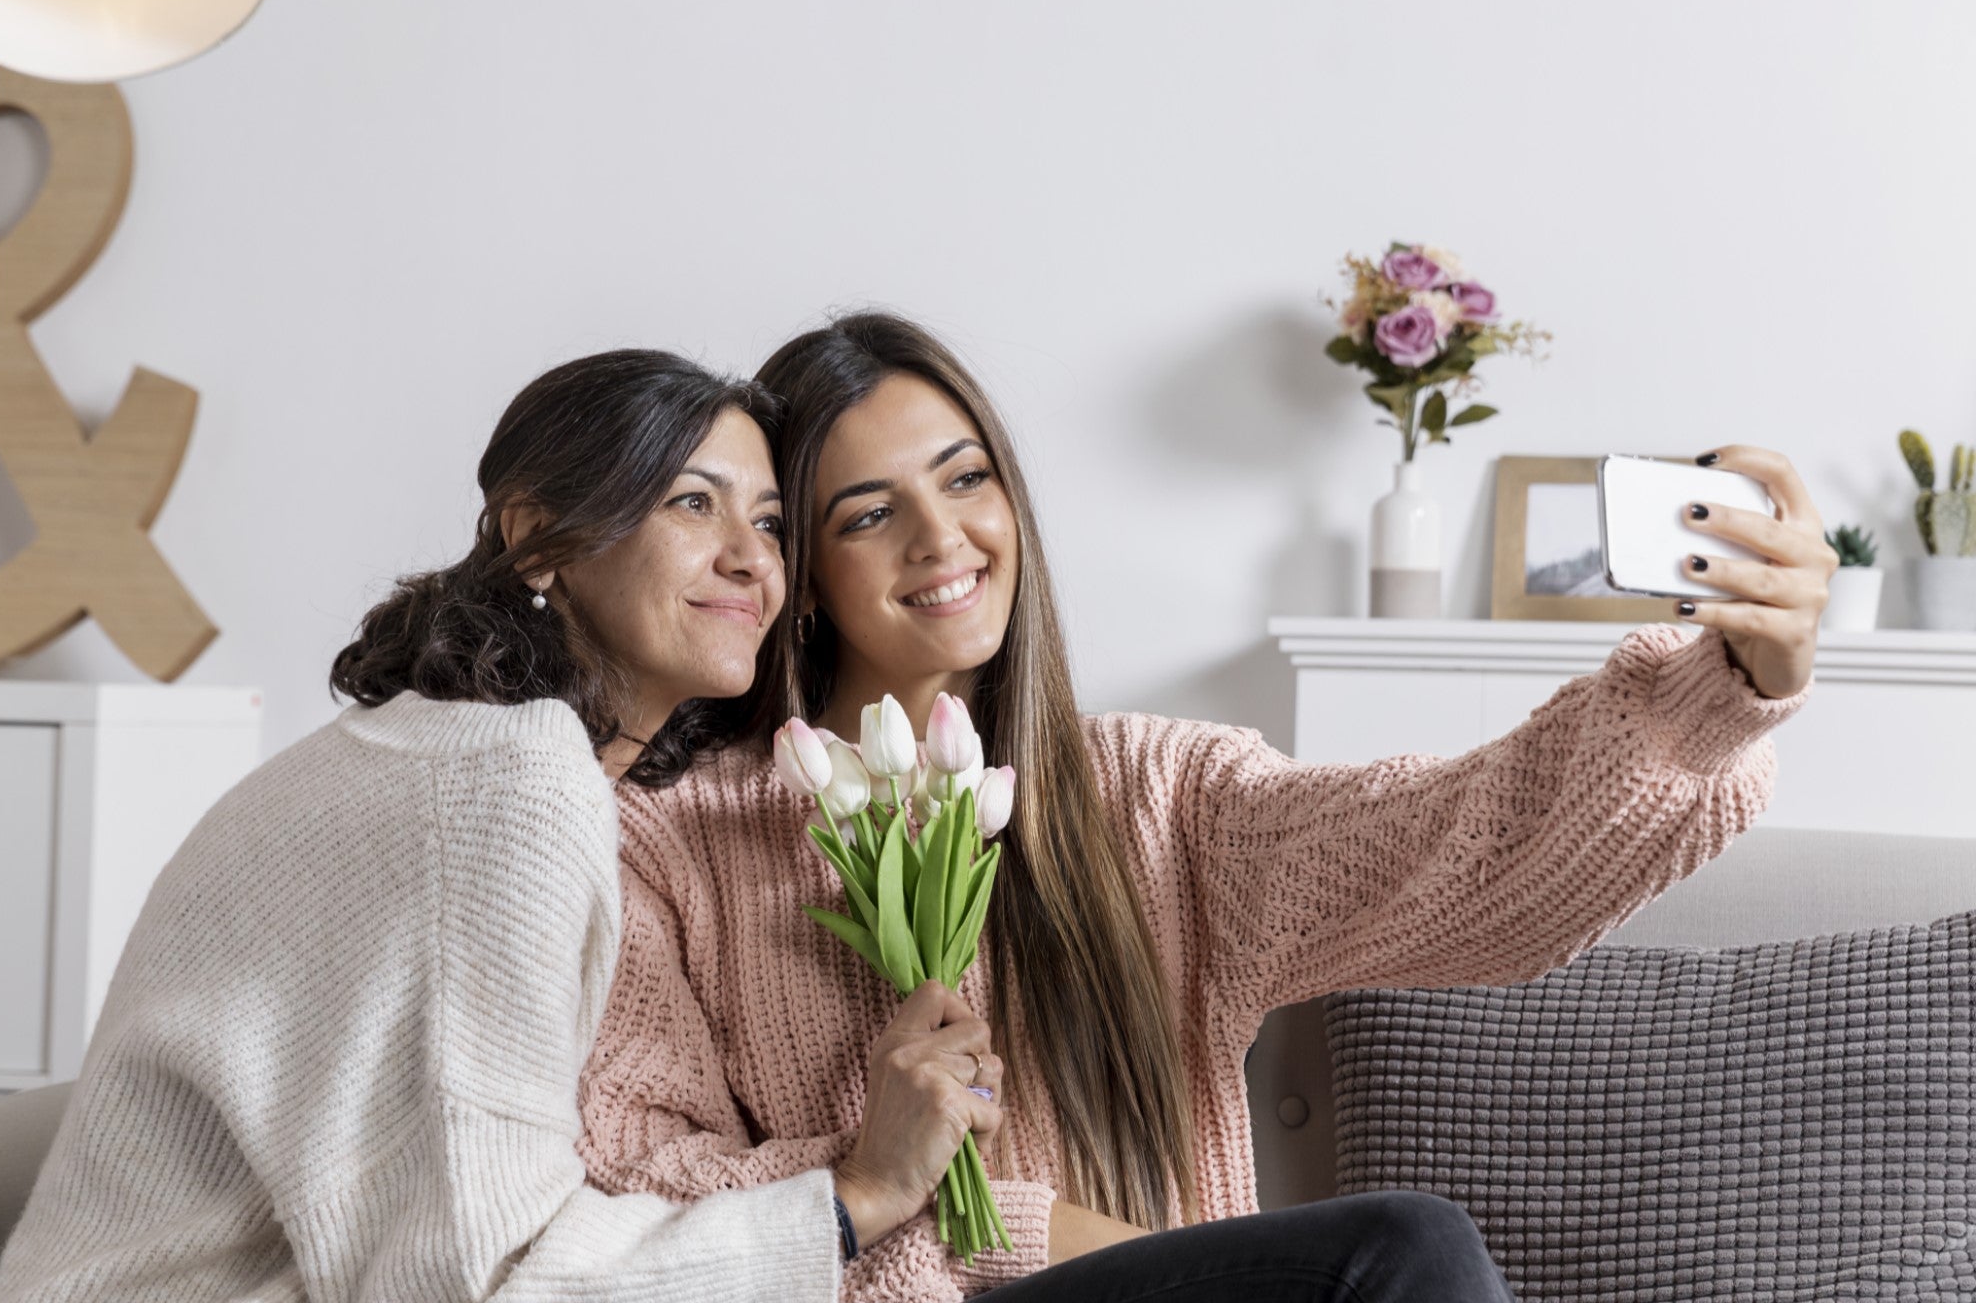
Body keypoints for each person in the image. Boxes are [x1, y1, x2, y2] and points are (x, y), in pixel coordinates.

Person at [573, 312, 1831, 1302]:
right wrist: (912, 1192)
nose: (942, 537)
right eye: (869, 514)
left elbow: (1468, 842)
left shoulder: (1159, 798)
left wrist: (1723, 692)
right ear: (801, 572)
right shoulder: (669, 844)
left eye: (967, 481)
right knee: (1403, 1254)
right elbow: (639, 1188)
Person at [0, 349, 999, 1302]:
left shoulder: (451, 753)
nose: (751, 561)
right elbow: (479, 1278)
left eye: (773, 524)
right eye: (693, 503)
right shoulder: (508, 787)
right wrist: (860, 1196)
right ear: (536, 537)